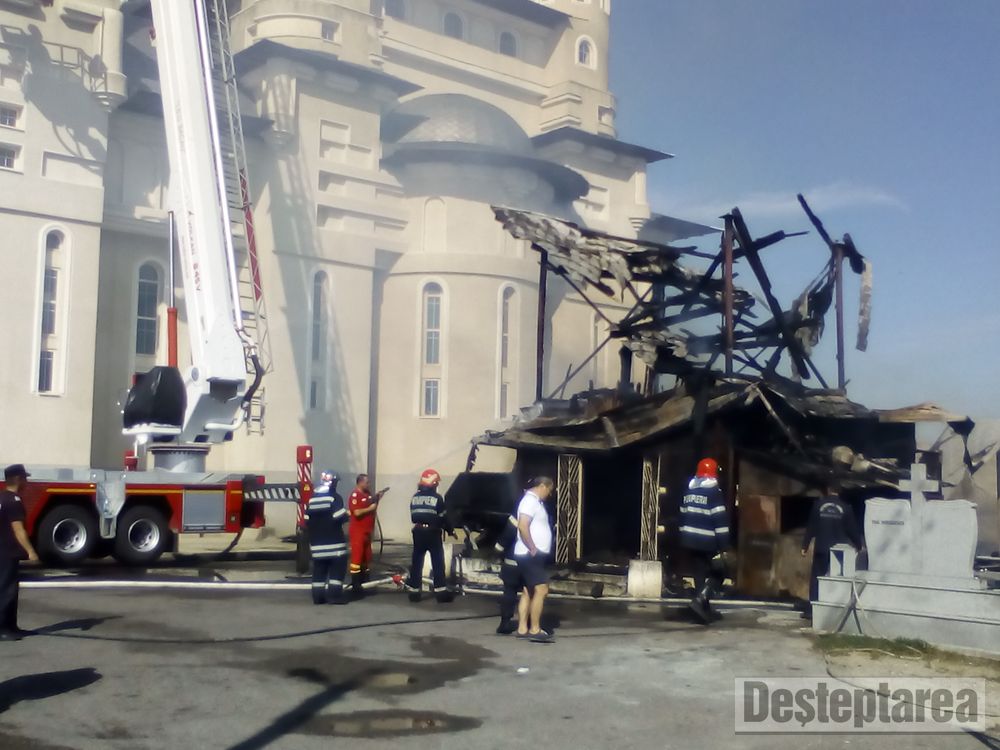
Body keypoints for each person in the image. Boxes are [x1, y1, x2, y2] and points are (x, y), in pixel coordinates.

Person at [679, 458, 731, 625]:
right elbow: (719, 520)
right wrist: (724, 546)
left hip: (689, 540)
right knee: (719, 572)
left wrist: (684, 536)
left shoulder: (689, 492)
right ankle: (701, 599)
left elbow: (682, 515)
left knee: (699, 573)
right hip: (708, 541)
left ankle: (702, 609)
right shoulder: (714, 493)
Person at [801, 479, 863, 619]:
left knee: (817, 578)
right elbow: (852, 530)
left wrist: (805, 545)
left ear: (828, 490)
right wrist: (859, 545)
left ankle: (813, 610)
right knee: (837, 579)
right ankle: (835, 609)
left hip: (821, 548)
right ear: (839, 492)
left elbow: (811, 527)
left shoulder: (817, 505)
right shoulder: (846, 508)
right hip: (838, 552)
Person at [513, 476, 555, 643]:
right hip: (530, 554)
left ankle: (522, 628)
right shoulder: (530, 501)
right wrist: (532, 547)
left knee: (528, 590)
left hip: (529, 553)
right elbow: (523, 525)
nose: (549, 494)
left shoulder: (534, 502)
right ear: (542, 486)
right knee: (542, 589)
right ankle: (535, 629)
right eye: (549, 491)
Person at [404, 469, 456, 603]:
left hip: (418, 531)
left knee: (417, 562)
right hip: (432, 532)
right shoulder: (437, 498)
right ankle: (441, 593)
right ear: (433, 483)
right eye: (436, 483)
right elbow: (443, 518)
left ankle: (414, 593)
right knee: (437, 562)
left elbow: (414, 517)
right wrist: (450, 530)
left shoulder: (415, 497)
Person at [0, 464, 39, 641]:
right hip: (8, 551)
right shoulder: (14, 501)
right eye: (24, 478)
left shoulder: (2, 497)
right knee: (6, 590)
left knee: (8, 589)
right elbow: (18, 530)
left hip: (2, 550)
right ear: (17, 479)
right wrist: (31, 551)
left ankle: (11, 626)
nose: (26, 482)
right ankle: (3, 628)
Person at [305, 470, 350, 605]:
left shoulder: (312, 499)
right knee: (336, 572)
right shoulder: (334, 497)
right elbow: (338, 517)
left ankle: (318, 597)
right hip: (335, 545)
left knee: (319, 573)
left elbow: (306, 520)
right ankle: (334, 596)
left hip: (317, 545)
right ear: (333, 482)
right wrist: (347, 514)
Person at [348, 473, 386, 597]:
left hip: (367, 532)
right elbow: (357, 512)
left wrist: (377, 499)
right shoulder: (355, 495)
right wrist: (371, 508)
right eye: (367, 482)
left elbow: (371, 505)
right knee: (357, 558)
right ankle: (355, 585)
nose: (369, 484)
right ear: (360, 482)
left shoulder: (368, 494)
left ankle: (364, 581)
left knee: (366, 557)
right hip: (358, 532)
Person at [494, 512, 521, 635]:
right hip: (532, 560)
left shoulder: (519, 512)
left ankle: (505, 622)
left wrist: (498, 550)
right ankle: (529, 624)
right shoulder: (543, 512)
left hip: (513, 560)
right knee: (530, 593)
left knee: (509, 591)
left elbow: (508, 535)